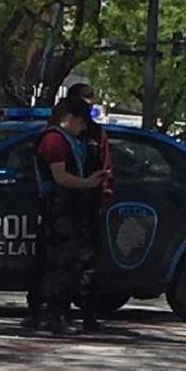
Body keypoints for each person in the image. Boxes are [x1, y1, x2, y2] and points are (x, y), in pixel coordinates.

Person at [32, 96, 109, 335]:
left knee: (67, 263)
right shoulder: (55, 140)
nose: (84, 128)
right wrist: (87, 183)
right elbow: (60, 177)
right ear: (71, 118)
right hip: (58, 208)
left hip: (68, 207)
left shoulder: (70, 140)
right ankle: (54, 316)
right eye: (82, 122)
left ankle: (58, 315)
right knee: (58, 264)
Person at [67, 83, 114, 331]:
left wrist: (103, 197)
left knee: (89, 262)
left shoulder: (96, 134)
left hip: (88, 205)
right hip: (63, 205)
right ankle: (49, 311)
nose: (89, 108)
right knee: (57, 262)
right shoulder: (60, 133)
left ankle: (88, 312)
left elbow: (107, 169)